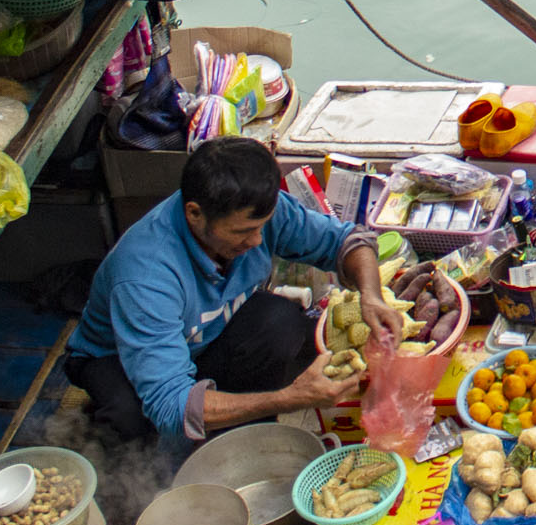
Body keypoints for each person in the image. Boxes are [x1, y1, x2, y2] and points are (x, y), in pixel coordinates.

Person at [66, 136, 399, 445]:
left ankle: (242, 430)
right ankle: (109, 441)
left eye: (261, 228)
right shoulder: (146, 276)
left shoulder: (260, 211)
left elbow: (349, 241)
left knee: (280, 322)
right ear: (194, 214)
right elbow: (172, 406)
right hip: (118, 359)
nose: (256, 242)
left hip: (204, 337)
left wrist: (370, 294)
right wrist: (290, 397)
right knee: (130, 417)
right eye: (243, 232)